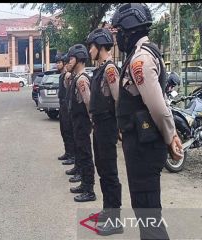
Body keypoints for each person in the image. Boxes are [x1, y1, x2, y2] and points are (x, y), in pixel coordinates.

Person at [112, 3, 183, 239]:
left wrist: (171, 136)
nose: (118, 37)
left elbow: (158, 107)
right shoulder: (141, 55)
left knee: (148, 214)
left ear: (129, 29)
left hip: (145, 149)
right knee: (146, 210)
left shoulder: (139, 59)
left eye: (119, 31)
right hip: (141, 145)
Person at [86, 28, 123, 235]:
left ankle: (115, 218)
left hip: (108, 125)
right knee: (101, 169)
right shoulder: (100, 69)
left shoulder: (110, 69)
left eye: (92, 46)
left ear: (100, 46)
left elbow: (118, 99)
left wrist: (119, 127)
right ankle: (108, 209)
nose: (89, 50)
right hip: (99, 125)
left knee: (109, 172)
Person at [66, 44, 96, 202]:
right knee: (80, 152)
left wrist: (93, 122)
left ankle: (89, 189)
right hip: (77, 122)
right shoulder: (76, 77)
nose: (69, 62)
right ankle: (84, 183)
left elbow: (89, 103)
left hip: (83, 123)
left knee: (85, 154)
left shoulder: (82, 79)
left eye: (71, 58)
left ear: (79, 59)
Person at [56, 54, 75, 165]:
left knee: (68, 130)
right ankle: (68, 152)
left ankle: (72, 155)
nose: (58, 64)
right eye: (57, 62)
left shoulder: (67, 75)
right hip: (62, 105)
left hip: (66, 105)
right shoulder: (61, 75)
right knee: (63, 130)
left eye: (59, 62)